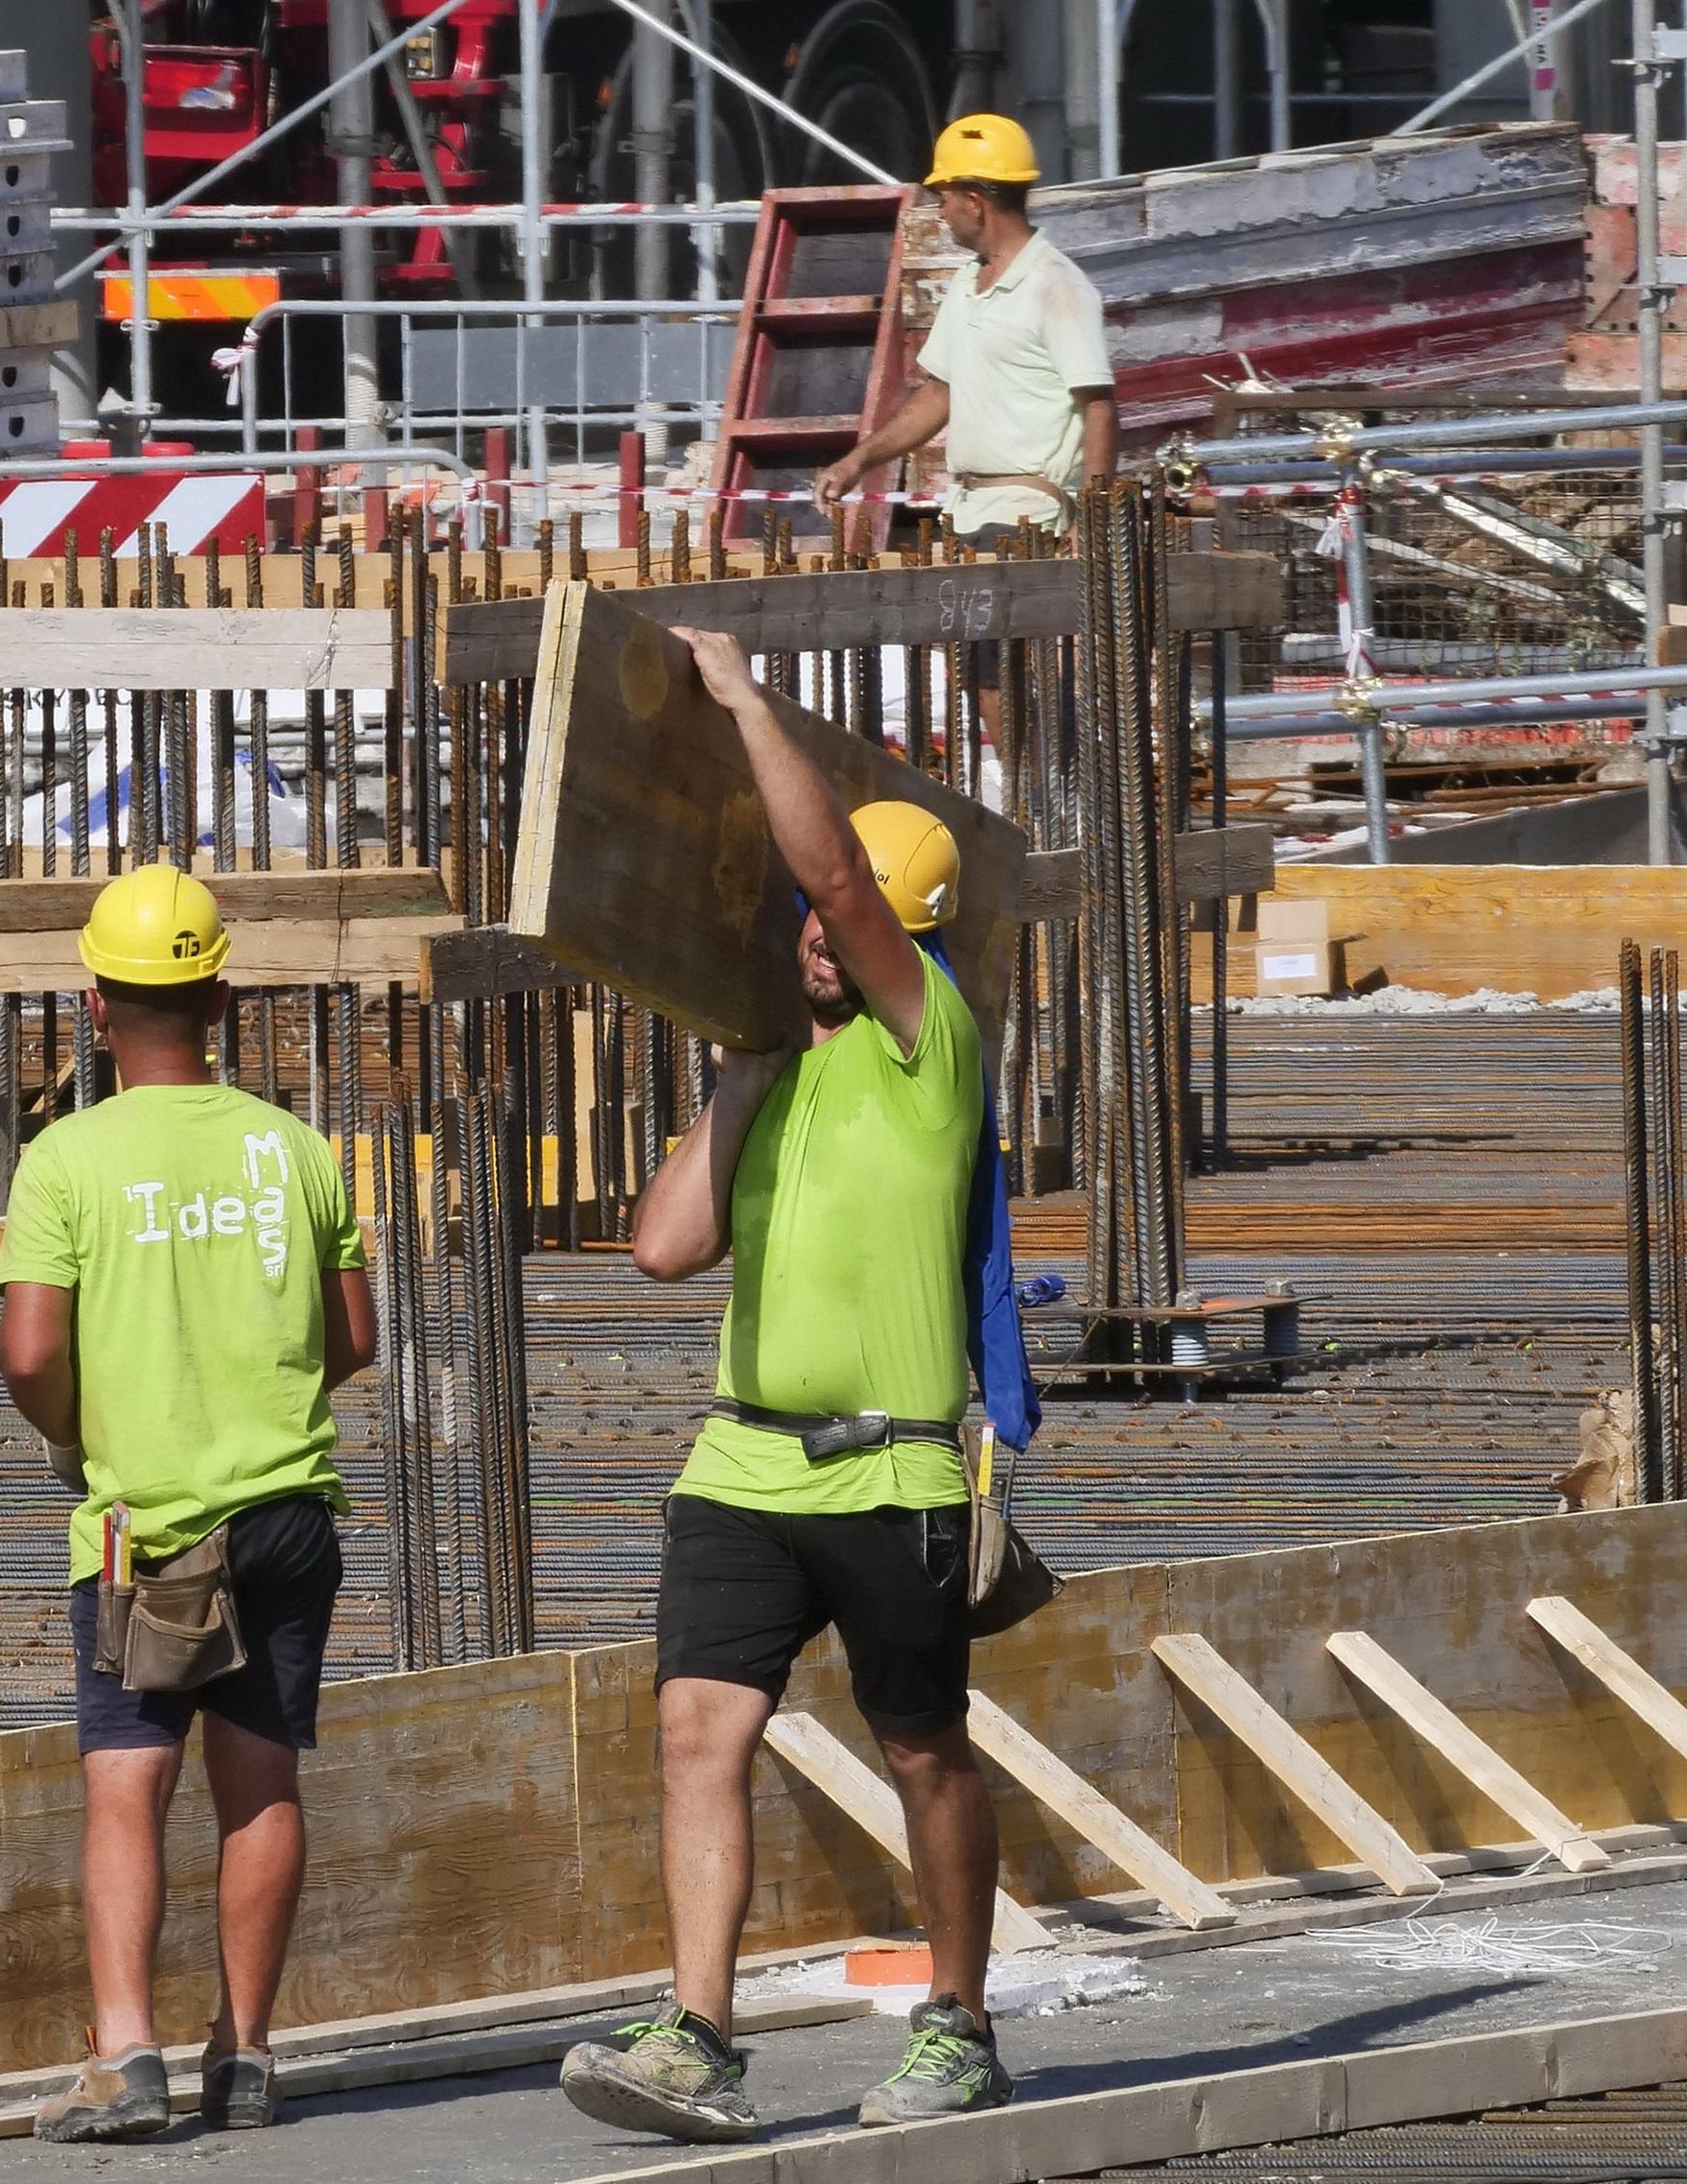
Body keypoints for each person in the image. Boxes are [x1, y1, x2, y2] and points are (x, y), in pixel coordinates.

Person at [556, 631, 1014, 2144]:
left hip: (888, 1471)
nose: (821, 938)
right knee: (698, 1729)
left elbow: (836, 882)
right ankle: (697, 2031)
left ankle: (955, 2015)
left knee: (919, 1747)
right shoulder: (773, 1064)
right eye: (811, 926)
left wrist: (748, 703)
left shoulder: (926, 1043)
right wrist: (737, 1075)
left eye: (850, 921)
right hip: (744, 1465)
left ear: (904, 929)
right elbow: (660, 1250)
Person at [0, 865, 381, 2145]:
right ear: (218, 995)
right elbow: (351, 1336)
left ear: (95, 1005)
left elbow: (31, 1353)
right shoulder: (293, 1148)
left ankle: (126, 2057)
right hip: (288, 1511)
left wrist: (84, 1433)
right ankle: (247, 2053)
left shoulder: (66, 1160)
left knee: (128, 1782)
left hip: (147, 1526)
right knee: (259, 1779)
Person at [814, 114, 1114, 551]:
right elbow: (939, 394)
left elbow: (1100, 409)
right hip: (966, 513)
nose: (942, 212)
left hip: (1027, 521)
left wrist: (1091, 521)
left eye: (945, 199)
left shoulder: (1057, 287)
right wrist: (857, 462)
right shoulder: (967, 282)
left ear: (974, 203)